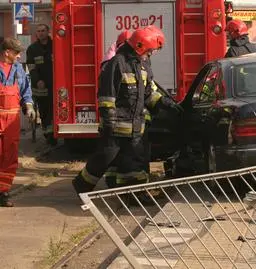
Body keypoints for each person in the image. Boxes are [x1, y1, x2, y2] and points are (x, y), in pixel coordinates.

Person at [72, 26, 182, 194]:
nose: (151, 54)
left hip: (135, 126)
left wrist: (166, 104)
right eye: (150, 50)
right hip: (116, 126)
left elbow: (147, 95)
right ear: (140, 46)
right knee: (104, 158)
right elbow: (107, 96)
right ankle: (82, 185)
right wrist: (109, 122)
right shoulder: (117, 63)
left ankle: (135, 194)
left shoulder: (141, 65)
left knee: (134, 163)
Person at [0, 37, 35, 207]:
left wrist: (28, 106)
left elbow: (26, 90)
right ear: (7, 52)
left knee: (10, 156)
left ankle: (3, 192)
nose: (19, 56)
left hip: (12, 122)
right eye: (17, 53)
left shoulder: (18, 70)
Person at [26, 24, 55, 145]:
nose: (41, 33)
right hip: (40, 86)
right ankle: (49, 134)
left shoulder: (55, 45)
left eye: (43, 30)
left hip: (55, 84)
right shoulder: (32, 49)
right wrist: (38, 80)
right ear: (36, 33)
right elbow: (31, 67)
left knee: (55, 109)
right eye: (38, 31)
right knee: (44, 110)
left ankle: (53, 134)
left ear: (48, 32)